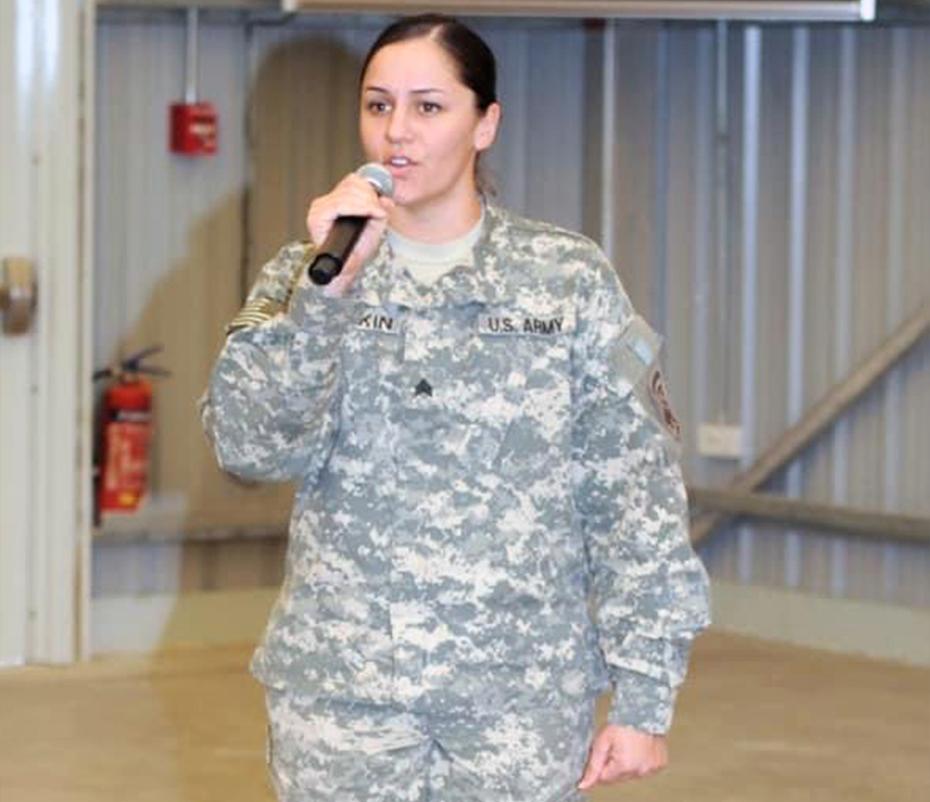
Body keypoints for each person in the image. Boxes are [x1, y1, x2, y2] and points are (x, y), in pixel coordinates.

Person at [199, 13, 711, 802]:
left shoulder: (565, 279)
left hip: (520, 699)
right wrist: (324, 301)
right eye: (377, 106)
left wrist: (645, 696)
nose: (396, 132)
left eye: (428, 107)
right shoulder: (309, 275)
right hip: (345, 696)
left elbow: (634, 494)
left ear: (485, 124)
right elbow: (248, 446)